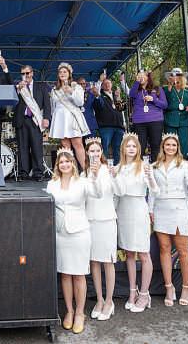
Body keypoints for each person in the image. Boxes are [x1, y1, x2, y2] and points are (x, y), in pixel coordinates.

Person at [46, 148, 92, 334]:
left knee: (79, 274)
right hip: (60, 234)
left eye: (67, 161)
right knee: (65, 274)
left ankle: (80, 313)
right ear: (57, 165)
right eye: (61, 162)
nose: (64, 164)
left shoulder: (83, 182)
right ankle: (69, 311)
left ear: (73, 163)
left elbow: (97, 193)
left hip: (79, 232)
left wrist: (95, 173)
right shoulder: (51, 184)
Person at [110, 133, 156, 313]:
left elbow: (155, 191)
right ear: (122, 148)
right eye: (128, 146)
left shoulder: (144, 166)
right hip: (123, 211)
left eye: (134, 146)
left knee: (143, 253)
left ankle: (144, 294)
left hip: (138, 210)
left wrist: (150, 178)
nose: (131, 149)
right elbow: (117, 194)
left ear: (138, 149)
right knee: (129, 253)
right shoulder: (117, 168)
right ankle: (132, 292)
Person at [150, 133, 188, 307]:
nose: (170, 147)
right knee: (164, 249)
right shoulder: (154, 166)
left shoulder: (185, 165)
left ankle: (186, 287)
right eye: (167, 145)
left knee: (183, 250)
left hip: (179, 209)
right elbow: (152, 191)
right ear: (163, 146)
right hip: (161, 209)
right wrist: (150, 210)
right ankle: (169, 287)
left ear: (178, 147)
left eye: (173, 145)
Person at [84, 138, 117, 321]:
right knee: (94, 262)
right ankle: (99, 299)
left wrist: (97, 176)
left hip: (106, 220)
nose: (95, 154)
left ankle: (109, 301)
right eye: (92, 151)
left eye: (98, 151)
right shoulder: (83, 172)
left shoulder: (108, 170)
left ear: (102, 152)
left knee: (108, 261)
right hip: (90, 221)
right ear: (87, 153)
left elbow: (103, 193)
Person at [49, 63, 90, 170]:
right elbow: (53, 106)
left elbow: (80, 102)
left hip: (72, 118)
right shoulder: (54, 89)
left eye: (64, 72)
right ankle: (71, 172)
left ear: (69, 74)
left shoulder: (76, 86)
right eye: (60, 72)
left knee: (78, 144)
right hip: (61, 119)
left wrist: (71, 91)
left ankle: (86, 171)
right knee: (65, 147)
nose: (62, 74)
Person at [15, 66, 50, 181]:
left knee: (36, 148)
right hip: (21, 120)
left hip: (36, 120)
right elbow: (12, 102)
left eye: (27, 73)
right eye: (23, 73)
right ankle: (23, 173)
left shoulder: (41, 86)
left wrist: (46, 118)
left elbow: (47, 104)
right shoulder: (18, 87)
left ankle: (38, 173)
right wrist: (18, 90)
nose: (25, 75)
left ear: (32, 73)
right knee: (22, 148)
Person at [129, 71, 167, 160]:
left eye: (143, 75)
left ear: (148, 77)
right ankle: (139, 166)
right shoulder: (136, 89)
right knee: (140, 147)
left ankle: (155, 165)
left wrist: (154, 99)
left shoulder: (157, 89)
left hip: (156, 121)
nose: (141, 77)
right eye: (139, 75)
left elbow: (165, 105)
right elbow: (131, 95)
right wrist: (137, 82)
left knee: (156, 146)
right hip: (139, 122)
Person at [162, 68, 188, 157]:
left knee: (183, 143)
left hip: (184, 119)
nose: (176, 77)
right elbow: (164, 103)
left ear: (182, 77)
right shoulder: (165, 89)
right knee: (169, 142)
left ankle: (183, 161)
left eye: (178, 75)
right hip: (170, 119)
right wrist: (170, 88)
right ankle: (169, 160)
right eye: (173, 75)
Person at [93, 78, 126, 164]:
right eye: (105, 83)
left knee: (118, 148)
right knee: (105, 148)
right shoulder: (100, 96)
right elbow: (97, 105)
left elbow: (122, 108)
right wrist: (97, 96)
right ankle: (104, 167)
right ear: (102, 86)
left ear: (111, 85)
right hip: (106, 127)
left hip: (119, 126)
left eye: (109, 83)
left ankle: (117, 167)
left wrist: (118, 97)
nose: (107, 85)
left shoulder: (116, 96)